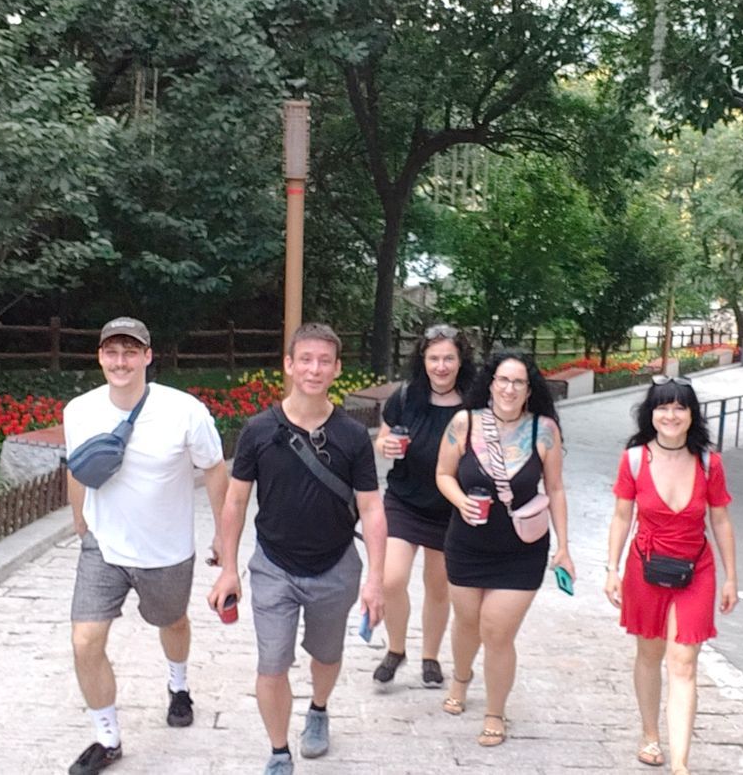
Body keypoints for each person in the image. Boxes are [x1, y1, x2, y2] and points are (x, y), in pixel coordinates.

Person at [207, 323, 387, 775]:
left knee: (326, 655)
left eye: (324, 361)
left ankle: (319, 709)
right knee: (272, 664)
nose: (314, 369)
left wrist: (376, 580)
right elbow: (235, 501)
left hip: (335, 565)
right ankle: (279, 752)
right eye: (305, 359)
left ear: (337, 369)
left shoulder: (352, 436)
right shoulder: (258, 430)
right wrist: (228, 569)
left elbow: (371, 508)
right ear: (288, 365)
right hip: (274, 566)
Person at [61, 317, 228, 775]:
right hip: (104, 547)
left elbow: (215, 468)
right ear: (100, 357)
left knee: (172, 621)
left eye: (131, 352)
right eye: (112, 352)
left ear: (148, 357)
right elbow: (77, 468)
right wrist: (80, 521)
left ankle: (178, 684)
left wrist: (223, 533)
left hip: (165, 549)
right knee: (84, 641)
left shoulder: (184, 411)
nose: (121, 362)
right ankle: (107, 738)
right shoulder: (79, 410)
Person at [433, 348, 575, 748]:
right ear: (490, 384)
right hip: (466, 544)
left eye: (518, 382)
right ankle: (461, 677)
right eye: (503, 380)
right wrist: (461, 500)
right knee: (467, 622)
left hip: (521, 550)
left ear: (529, 389)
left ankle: (495, 712)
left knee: (496, 630)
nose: (509, 389)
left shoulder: (544, 430)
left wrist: (564, 547)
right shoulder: (464, 422)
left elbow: (556, 489)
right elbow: (443, 473)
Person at [603, 377, 738, 775]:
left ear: (692, 414)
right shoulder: (634, 460)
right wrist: (611, 569)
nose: (671, 415)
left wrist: (731, 577)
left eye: (680, 407)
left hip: (697, 569)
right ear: (652, 413)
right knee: (650, 653)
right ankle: (650, 735)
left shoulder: (709, 463)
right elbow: (622, 516)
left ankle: (680, 763)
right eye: (663, 407)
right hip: (645, 567)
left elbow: (720, 520)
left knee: (684, 662)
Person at [371, 324, 475, 688]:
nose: (441, 366)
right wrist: (384, 446)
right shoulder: (405, 396)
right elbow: (383, 437)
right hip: (404, 499)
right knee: (391, 579)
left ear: (461, 361)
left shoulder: (474, 401)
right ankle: (396, 648)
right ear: (423, 360)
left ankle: (430, 656)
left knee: (438, 586)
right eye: (434, 358)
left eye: (449, 358)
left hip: (451, 506)